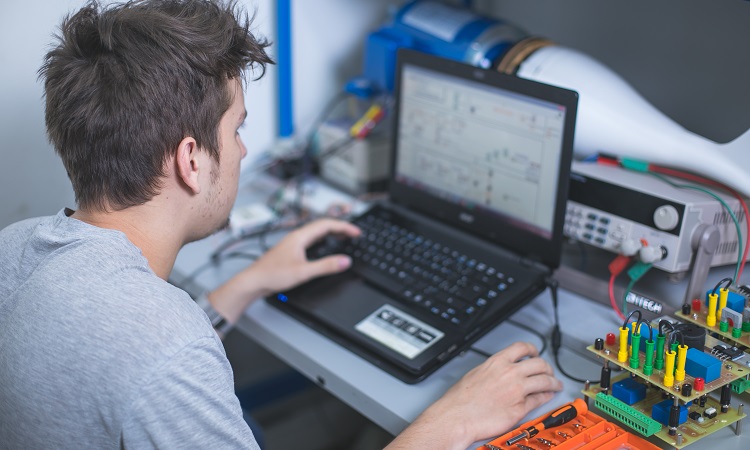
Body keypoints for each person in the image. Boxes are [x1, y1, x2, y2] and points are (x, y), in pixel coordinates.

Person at [0, 0, 563, 448]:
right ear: (191, 161)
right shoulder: (165, 346)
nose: (244, 152)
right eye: (237, 129)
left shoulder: (17, 247)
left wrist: (252, 280)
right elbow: (152, 353)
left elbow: (124, 355)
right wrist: (455, 419)